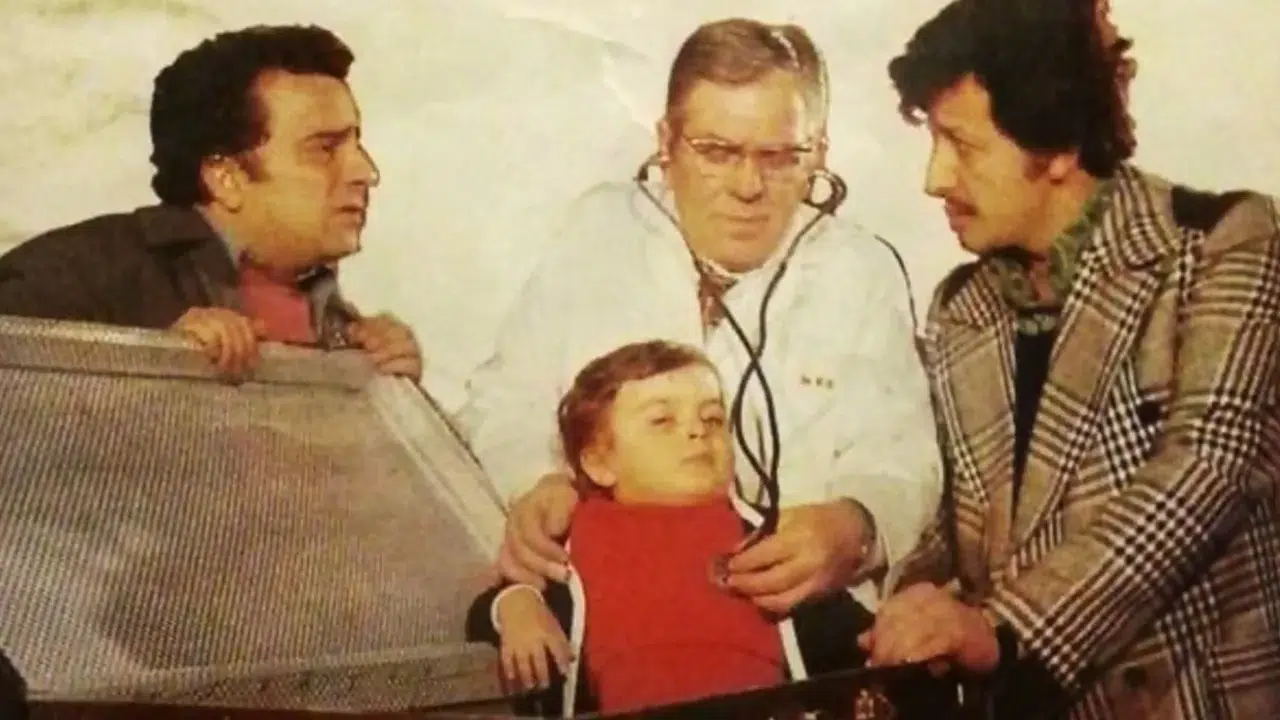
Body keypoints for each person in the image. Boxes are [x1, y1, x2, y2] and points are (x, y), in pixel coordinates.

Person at [860, 0, 1280, 718]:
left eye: (961, 144)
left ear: (1056, 148)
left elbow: (1205, 469)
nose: (934, 178)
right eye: (933, 140)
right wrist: (915, 598)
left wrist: (1000, 630)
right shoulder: (960, 307)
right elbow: (957, 522)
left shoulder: (1224, 242)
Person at [460, 18, 941, 617]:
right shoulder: (597, 231)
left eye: (780, 157)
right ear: (666, 142)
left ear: (819, 153)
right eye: (716, 152)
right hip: (605, 613)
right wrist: (536, 482)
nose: (748, 186)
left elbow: (903, 458)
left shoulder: (861, 271)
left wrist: (855, 528)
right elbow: (506, 398)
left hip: (789, 632)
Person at [465, 340, 871, 717]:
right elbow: (491, 604)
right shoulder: (575, 532)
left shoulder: (768, 532)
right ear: (598, 462)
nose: (697, 431)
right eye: (662, 421)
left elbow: (838, 623)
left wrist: (881, 640)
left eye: (713, 418)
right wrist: (518, 607)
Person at [0, 25, 421, 383]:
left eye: (356, 145)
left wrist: (395, 398)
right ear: (226, 178)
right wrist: (151, 361)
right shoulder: (76, 274)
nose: (366, 172)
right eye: (325, 149)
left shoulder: (339, 320)